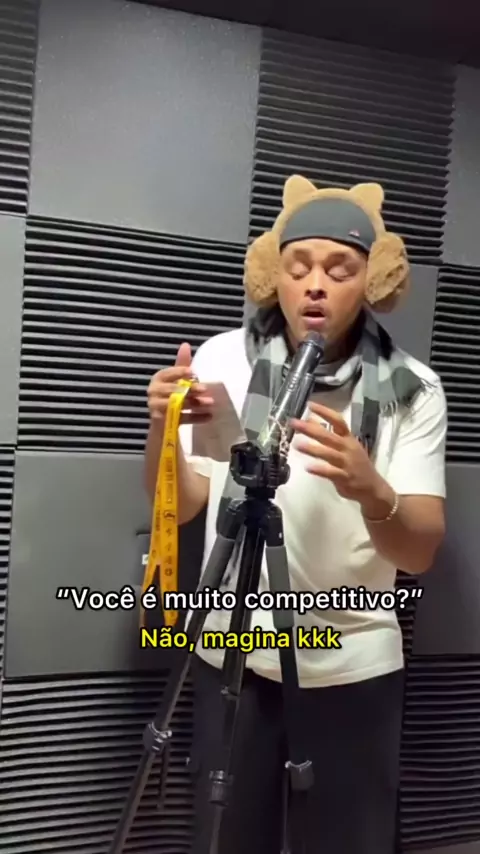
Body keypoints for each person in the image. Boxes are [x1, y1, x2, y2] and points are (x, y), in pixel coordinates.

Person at [144, 175, 447, 854]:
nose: (315, 285)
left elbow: (420, 551)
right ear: (271, 275)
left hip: (351, 666)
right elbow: (184, 503)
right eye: (299, 266)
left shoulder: (414, 389)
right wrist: (162, 429)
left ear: (371, 281)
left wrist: (373, 491)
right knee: (225, 840)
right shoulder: (222, 357)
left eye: (339, 270)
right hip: (229, 656)